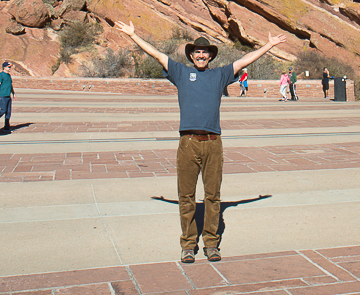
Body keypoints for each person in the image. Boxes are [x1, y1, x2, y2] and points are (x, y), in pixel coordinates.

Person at [115, 20, 286, 263]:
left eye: (205, 52)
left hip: (213, 143)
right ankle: (188, 245)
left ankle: (211, 244)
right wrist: (133, 35)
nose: (201, 55)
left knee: (213, 197)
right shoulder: (181, 73)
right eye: (197, 52)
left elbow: (245, 60)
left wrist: (268, 45)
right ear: (192, 55)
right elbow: (156, 54)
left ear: (211, 56)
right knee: (186, 196)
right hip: (188, 143)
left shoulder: (220, 75)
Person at [0, 61, 16, 131]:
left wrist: (13, 93)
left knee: (8, 112)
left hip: (8, 96)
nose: (10, 68)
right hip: (3, 96)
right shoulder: (1, 75)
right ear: (4, 67)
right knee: (3, 111)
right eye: (8, 67)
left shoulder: (9, 75)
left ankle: (7, 126)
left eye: (10, 67)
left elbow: (10, 85)